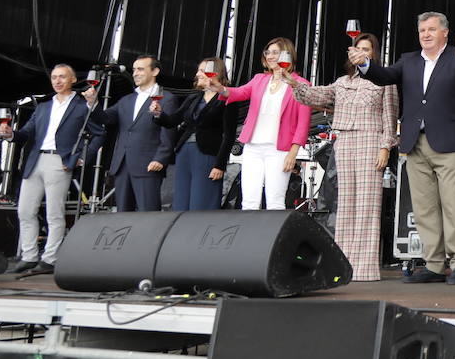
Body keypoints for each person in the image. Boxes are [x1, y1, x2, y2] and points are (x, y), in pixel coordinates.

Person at [361, 12, 455, 286]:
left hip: (451, 142)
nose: (426, 34)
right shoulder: (408, 60)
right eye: (422, 30)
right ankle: (434, 264)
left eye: (431, 29)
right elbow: (383, 76)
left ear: (445, 32)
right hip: (414, 143)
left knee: (454, 205)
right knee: (424, 208)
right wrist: (366, 64)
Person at [287, 33, 399, 281]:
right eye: (358, 47)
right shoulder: (341, 82)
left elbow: (390, 117)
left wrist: (385, 147)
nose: (361, 51)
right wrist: (295, 85)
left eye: (367, 48)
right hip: (344, 140)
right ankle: (343, 265)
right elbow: (318, 96)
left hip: (370, 140)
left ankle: (365, 269)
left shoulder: (384, 80)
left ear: (373, 53)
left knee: (368, 204)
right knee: (346, 203)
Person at [0, 64, 104, 275]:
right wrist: (10, 134)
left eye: (62, 77)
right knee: (25, 210)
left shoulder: (82, 105)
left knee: (54, 213)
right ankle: (29, 256)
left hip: (60, 161)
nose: (57, 81)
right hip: (36, 160)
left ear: (73, 80)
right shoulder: (43, 107)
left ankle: (50, 259)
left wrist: (81, 158)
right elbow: (26, 133)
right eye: (54, 77)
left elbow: (99, 134)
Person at [207, 38, 312, 210]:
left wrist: (292, 154)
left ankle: (272, 236)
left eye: (275, 52)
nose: (270, 56)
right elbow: (239, 92)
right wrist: (220, 89)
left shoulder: (300, 84)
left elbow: (303, 123)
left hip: (279, 150)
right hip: (252, 147)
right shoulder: (259, 79)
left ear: (287, 55)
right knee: (248, 200)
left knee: (275, 200)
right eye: (267, 52)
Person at [87, 55, 178, 212]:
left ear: (155, 71)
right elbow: (106, 118)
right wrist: (93, 103)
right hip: (122, 164)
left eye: (140, 69)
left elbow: (169, 129)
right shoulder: (126, 100)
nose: (135, 73)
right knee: (123, 214)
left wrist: (161, 158)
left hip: (148, 164)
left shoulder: (167, 98)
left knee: (148, 213)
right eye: (134, 69)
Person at [155, 57, 238, 211]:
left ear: (215, 73)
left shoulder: (228, 97)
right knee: (181, 201)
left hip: (207, 154)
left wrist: (220, 165)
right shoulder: (194, 97)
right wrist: (158, 114)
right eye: (198, 70)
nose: (198, 74)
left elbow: (229, 135)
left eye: (202, 70)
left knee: (202, 201)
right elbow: (173, 121)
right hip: (184, 152)